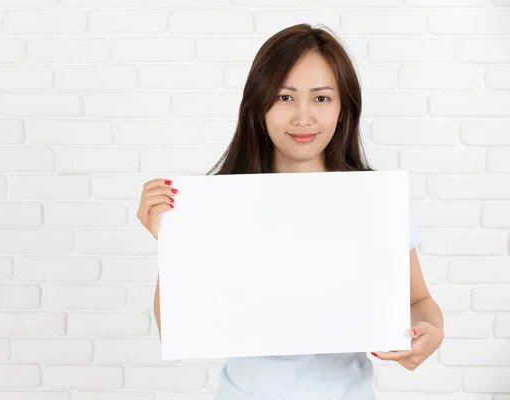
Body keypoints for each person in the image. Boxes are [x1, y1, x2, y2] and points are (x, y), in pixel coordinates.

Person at [137, 23, 444, 400]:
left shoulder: (374, 201)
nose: (303, 117)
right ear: (259, 104)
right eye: (284, 97)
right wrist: (174, 239)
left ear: (343, 107)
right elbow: (176, 328)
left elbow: (418, 301)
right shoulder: (218, 203)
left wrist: (428, 332)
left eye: (321, 98)